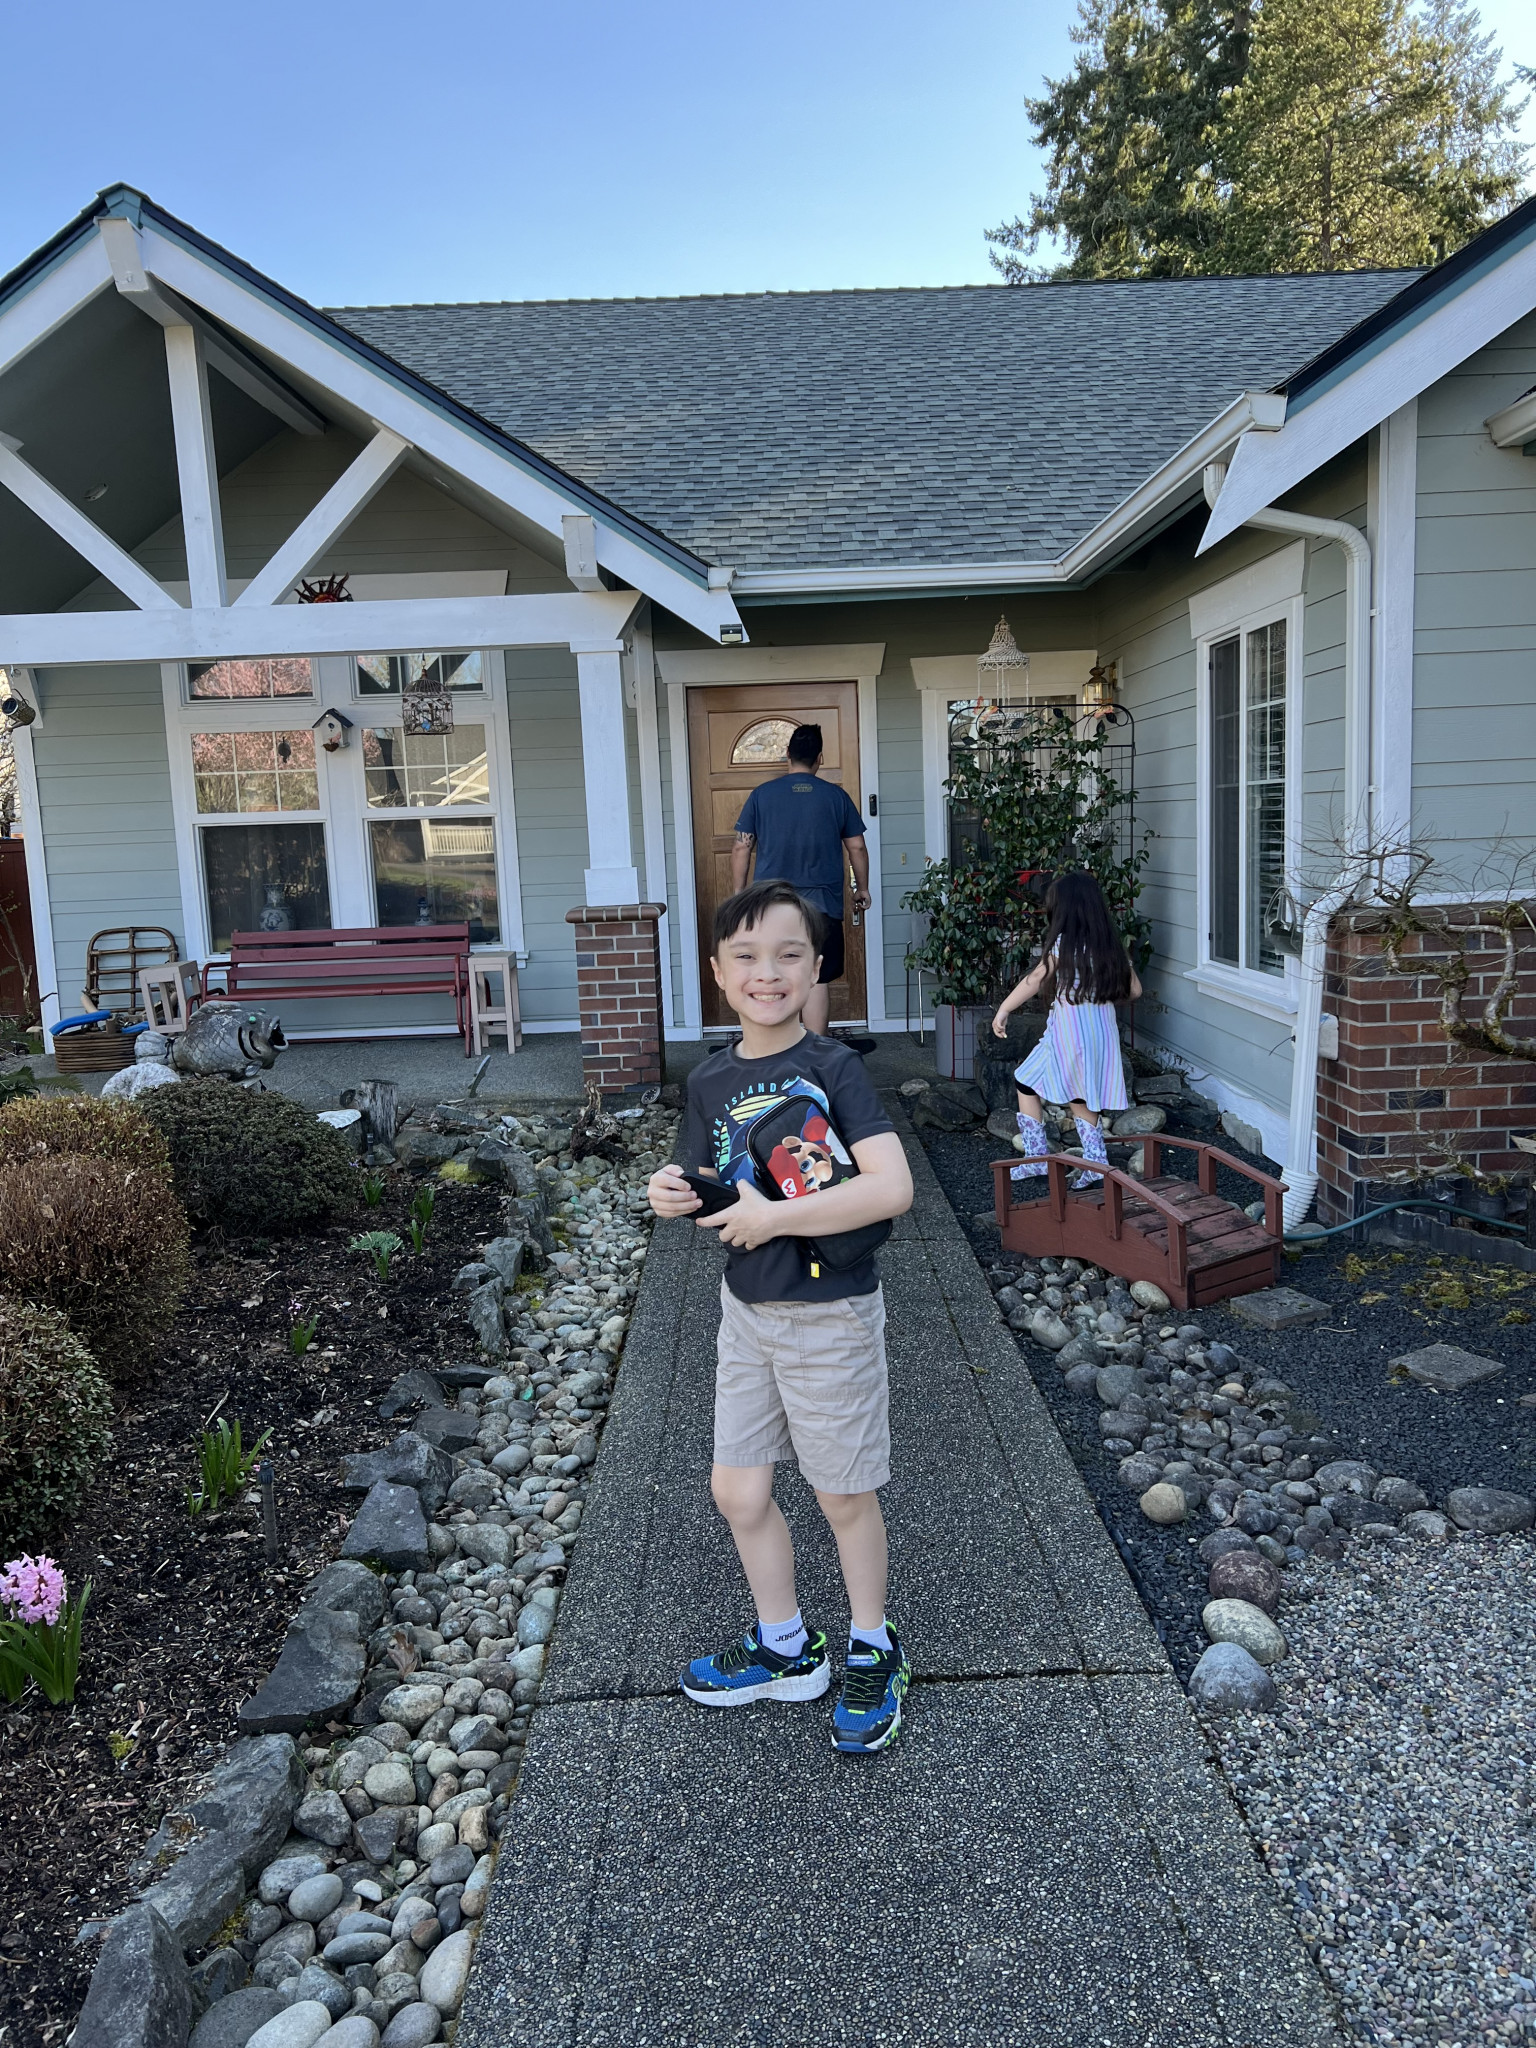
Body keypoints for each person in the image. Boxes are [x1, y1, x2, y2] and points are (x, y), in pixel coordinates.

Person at [646, 879, 916, 1754]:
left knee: (842, 1493)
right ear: (718, 973)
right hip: (748, 1313)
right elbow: (705, 1182)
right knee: (738, 1490)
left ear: (815, 968)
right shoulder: (709, 1079)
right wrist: (670, 1192)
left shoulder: (833, 1068)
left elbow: (892, 1188)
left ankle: (873, 1644)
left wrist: (776, 1217)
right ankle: (786, 1646)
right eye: (748, 957)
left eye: (789, 955)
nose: (768, 973)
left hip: (830, 1313)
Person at [990, 870, 1142, 1186]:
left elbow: (1035, 979)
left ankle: (1061, 1163)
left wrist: (1004, 1009)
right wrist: (1102, 990)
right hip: (1100, 1029)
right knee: (1032, 1081)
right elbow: (1135, 991)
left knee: (1068, 1093)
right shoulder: (1110, 946)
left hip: (1070, 1032)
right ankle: (1069, 1161)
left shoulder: (1064, 944)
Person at [730, 724, 871, 1041]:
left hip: (771, 907)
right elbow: (857, 847)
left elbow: (741, 846)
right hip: (822, 907)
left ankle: (776, 1047)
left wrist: (739, 895)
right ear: (819, 758)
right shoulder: (836, 796)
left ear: (787, 755)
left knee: (773, 975)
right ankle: (814, 1052)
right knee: (815, 978)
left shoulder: (762, 795)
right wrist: (861, 889)